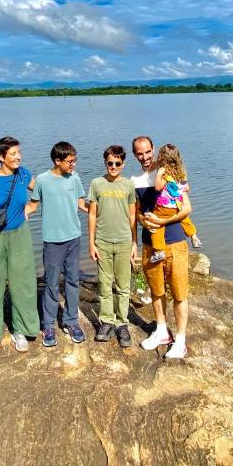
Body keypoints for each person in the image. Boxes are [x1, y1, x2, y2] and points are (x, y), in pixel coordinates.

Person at [0, 136, 40, 356]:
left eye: (19, 152)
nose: (18, 157)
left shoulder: (23, 174)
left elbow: (42, 188)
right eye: (13, 154)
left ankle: (20, 329)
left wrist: (32, 207)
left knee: (22, 281)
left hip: (19, 234)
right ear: (1, 156)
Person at [132, 135, 191, 360]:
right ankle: (161, 331)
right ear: (135, 154)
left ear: (153, 150)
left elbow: (186, 209)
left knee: (179, 293)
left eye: (148, 152)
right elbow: (136, 212)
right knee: (157, 290)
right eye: (140, 153)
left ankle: (181, 340)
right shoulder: (135, 180)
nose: (145, 157)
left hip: (175, 241)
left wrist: (162, 221)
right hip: (150, 243)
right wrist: (142, 220)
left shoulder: (169, 172)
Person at [26, 141, 88, 346]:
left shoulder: (75, 178)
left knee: (72, 281)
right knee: (51, 284)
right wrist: (16, 214)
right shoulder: (42, 180)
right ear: (57, 161)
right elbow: (33, 206)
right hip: (52, 241)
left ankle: (71, 321)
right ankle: (49, 325)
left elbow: (81, 204)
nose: (73, 165)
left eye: (74, 161)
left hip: (74, 238)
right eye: (70, 162)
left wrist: (101, 211)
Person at [87, 144, 137, 347]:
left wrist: (135, 243)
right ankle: (106, 321)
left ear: (123, 164)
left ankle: (122, 324)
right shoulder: (97, 183)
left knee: (124, 286)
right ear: (105, 162)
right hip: (103, 242)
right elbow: (92, 214)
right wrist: (91, 243)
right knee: (105, 285)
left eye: (117, 163)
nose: (113, 166)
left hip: (124, 242)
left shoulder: (128, 185)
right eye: (110, 163)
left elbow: (133, 214)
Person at [147, 143, 200, 264]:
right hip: (178, 206)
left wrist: (159, 174)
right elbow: (187, 188)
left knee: (157, 226)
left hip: (163, 207)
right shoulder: (181, 172)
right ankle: (194, 237)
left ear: (161, 158)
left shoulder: (164, 172)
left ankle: (159, 251)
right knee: (185, 219)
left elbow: (158, 187)